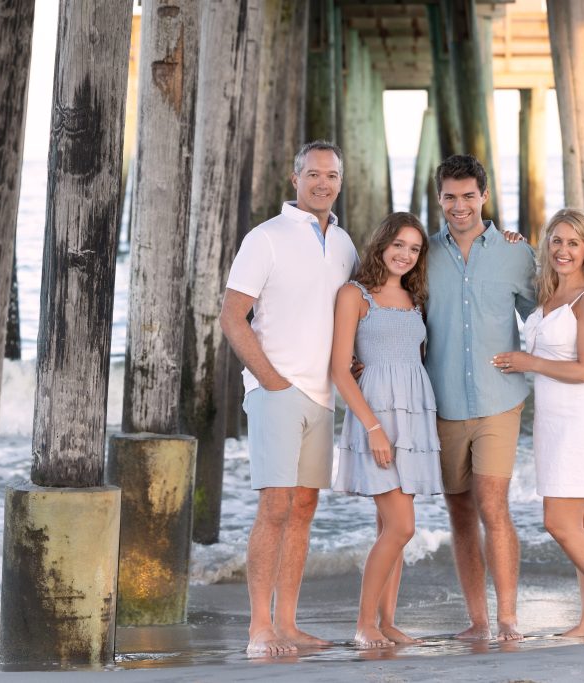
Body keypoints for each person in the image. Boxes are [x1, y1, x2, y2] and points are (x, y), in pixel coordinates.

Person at [220, 140, 358, 656]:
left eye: (332, 175)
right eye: (314, 174)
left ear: (340, 181)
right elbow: (233, 316)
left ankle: (290, 623)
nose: (323, 182)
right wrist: (270, 380)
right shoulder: (266, 238)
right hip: (277, 390)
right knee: (274, 507)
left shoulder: (344, 244)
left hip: (323, 396)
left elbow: (360, 311)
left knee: (303, 508)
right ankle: (260, 628)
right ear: (294, 178)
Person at [492, 208, 584, 639]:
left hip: (581, 417)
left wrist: (527, 362)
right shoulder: (546, 292)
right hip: (553, 418)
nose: (563, 250)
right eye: (556, 240)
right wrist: (512, 244)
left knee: (559, 521)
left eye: (574, 242)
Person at [423, 154, 538, 641]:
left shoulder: (516, 253)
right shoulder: (422, 256)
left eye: (469, 195)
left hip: (499, 399)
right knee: (461, 512)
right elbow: (392, 310)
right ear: (439, 198)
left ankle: (508, 617)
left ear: (484, 196)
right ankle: (478, 620)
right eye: (450, 196)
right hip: (443, 401)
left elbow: (545, 318)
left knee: (493, 505)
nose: (459, 205)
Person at [331, 212, 444, 649]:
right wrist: (374, 428)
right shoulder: (354, 295)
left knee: (389, 528)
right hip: (375, 417)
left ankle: (387, 622)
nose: (405, 254)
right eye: (399, 244)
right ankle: (364, 624)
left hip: (413, 416)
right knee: (401, 527)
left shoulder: (416, 299)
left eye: (414, 249)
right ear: (381, 243)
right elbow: (341, 371)